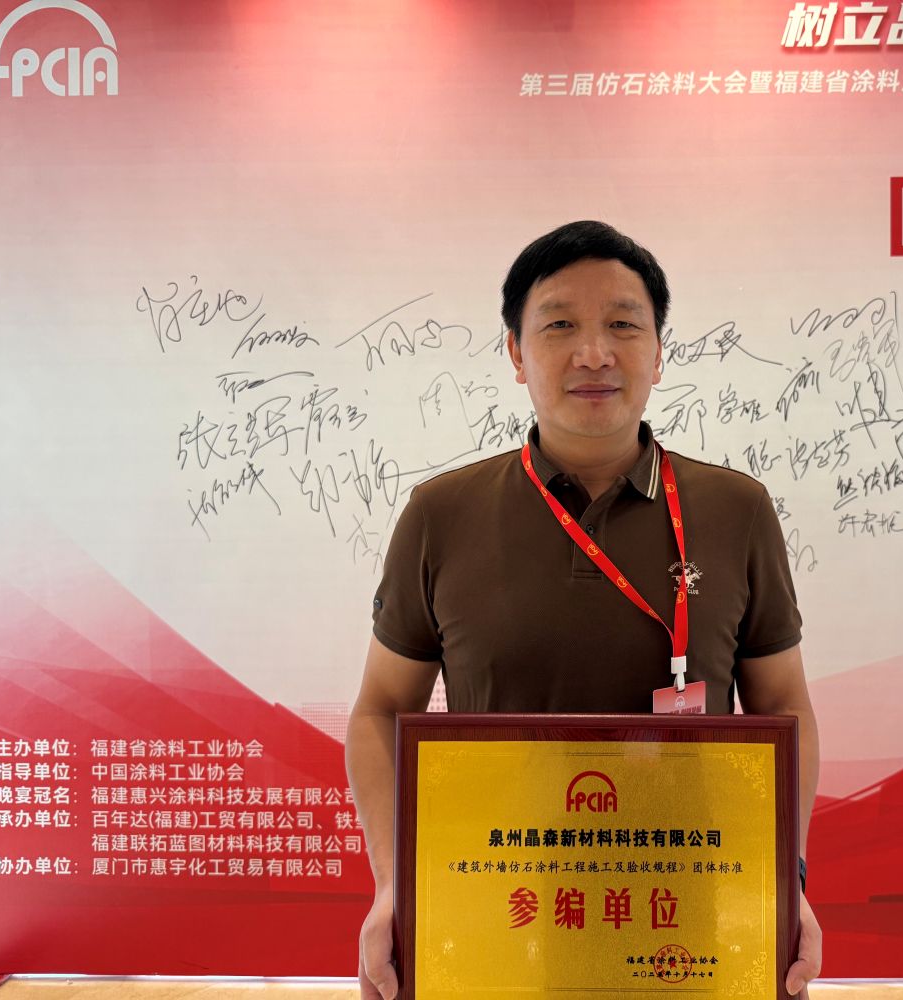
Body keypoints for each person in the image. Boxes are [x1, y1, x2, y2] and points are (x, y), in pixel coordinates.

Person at [347, 221, 822, 998]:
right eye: (560, 324)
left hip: (684, 911)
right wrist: (396, 885)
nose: (594, 353)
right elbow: (377, 710)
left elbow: (783, 707)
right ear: (515, 352)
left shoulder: (735, 509)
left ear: (659, 352)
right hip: (488, 902)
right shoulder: (441, 512)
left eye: (623, 325)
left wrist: (784, 880)